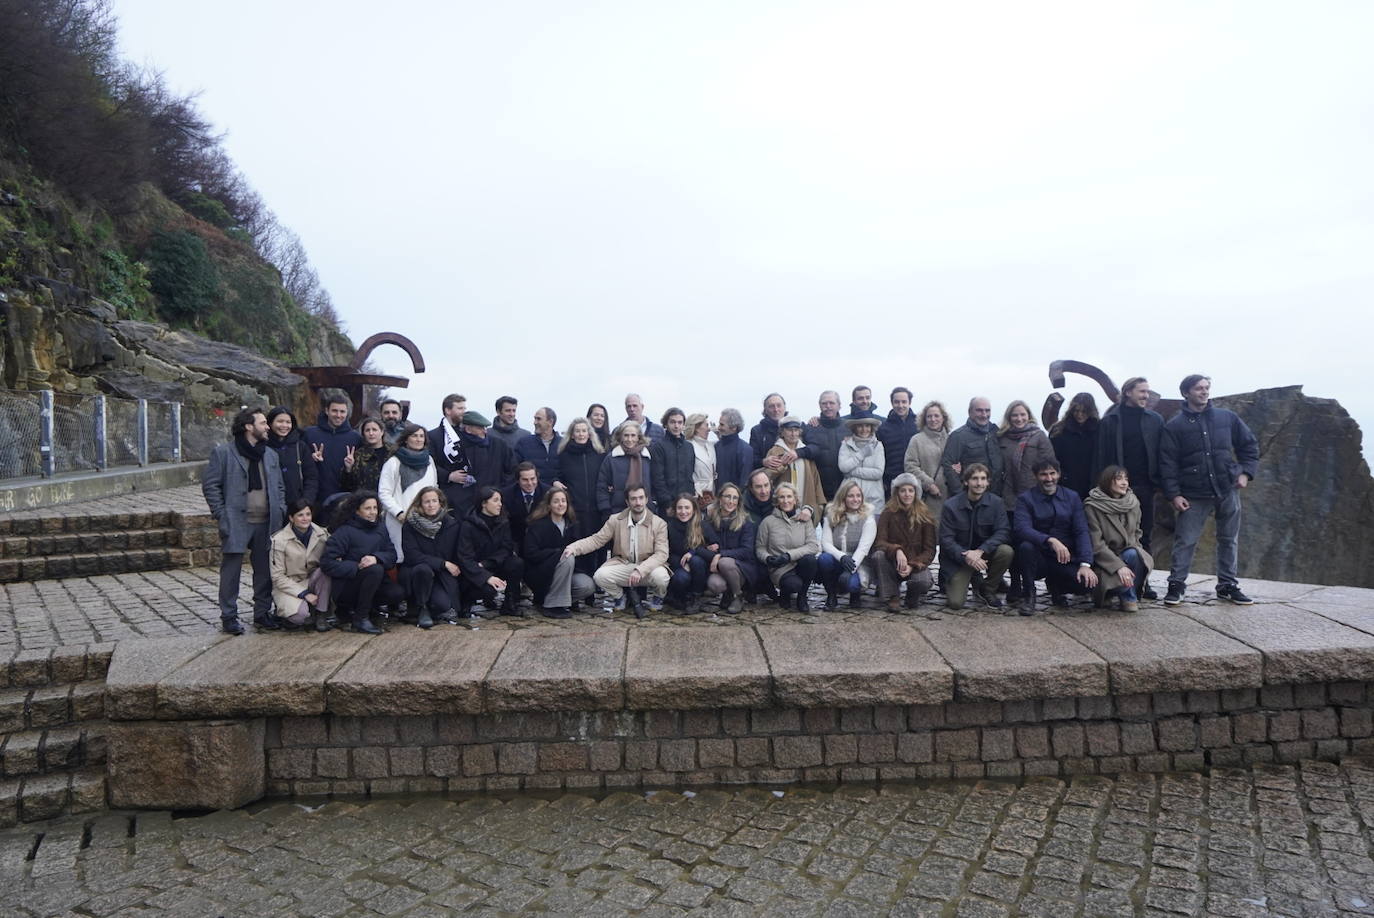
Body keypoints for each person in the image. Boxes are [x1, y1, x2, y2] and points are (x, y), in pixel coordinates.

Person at [1160, 374, 1260, 606]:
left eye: (1206, 388)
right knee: (1185, 540)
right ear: (1186, 393)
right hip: (1193, 494)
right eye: (1198, 388)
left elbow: (1249, 446)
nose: (1204, 392)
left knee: (1229, 540)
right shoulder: (1174, 426)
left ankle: (1227, 586)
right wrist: (1174, 494)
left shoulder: (1227, 417)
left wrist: (1245, 473)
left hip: (1227, 489)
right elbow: (1167, 463)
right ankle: (1176, 585)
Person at [203, 407, 287, 634]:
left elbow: (279, 486)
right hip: (236, 521)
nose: (268, 427)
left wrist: (280, 508)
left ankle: (262, 613)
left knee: (264, 572)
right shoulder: (223, 453)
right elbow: (211, 485)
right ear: (249, 426)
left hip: (267, 522)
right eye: (263, 423)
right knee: (231, 573)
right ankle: (229, 616)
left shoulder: (270, 454)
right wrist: (221, 514)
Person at [563, 483, 670, 618]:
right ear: (627, 502)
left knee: (661, 576)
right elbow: (597, 540)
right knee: (600, 576)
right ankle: (619, 597)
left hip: (647, 567)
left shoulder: (659, 523)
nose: (638, 502)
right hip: (624, 564)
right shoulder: (616, 520)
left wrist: (640, 570)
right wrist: (574, 548)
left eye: (641, 498)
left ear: (646, 499)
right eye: (633, 499)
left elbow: (661, 554)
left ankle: (658, 597)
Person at [1012, 459, 1098, 613]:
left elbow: (1081, 531)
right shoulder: (1025, 499)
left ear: (1059, 474)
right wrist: (1049, 540)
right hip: (1039, 556)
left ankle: (1056, 587)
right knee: (1025, 547)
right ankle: (1029, 595)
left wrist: (1085, 564)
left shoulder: (1072, 497)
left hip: (1065, 558)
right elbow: (1021, 528)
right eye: (1043, 474)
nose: (1049, 478)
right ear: (1036, 476)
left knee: (1086, 584)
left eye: (1052, 473)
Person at [1097, 376, 1165, 563]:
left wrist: (1162, 483)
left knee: (1145, 534)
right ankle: (1116, 575)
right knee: (1115, 535)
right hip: (1116, 489)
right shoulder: (1109, 421)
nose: (1146, 396)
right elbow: (1101, 457)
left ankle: (1143, 575)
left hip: (1146, 487)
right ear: (1128, 392)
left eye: (1147, 391)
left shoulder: (1155, 420)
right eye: (1142, 391)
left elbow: (1163, 453)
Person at [320, 491, 402, 634]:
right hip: (348, 584)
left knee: (396, 593)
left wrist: (376, 558)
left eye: (375, 508)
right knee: (375, 570)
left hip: (374, 580)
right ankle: (360, 618)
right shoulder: (344, 531)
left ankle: (370, 609)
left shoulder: (381, 528)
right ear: (357, 511)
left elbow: (392, 555)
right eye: (367, 508)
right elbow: (327, 563)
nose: (372, 512)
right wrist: (357, 566)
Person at [938, 463, 1013, 611]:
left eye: (983, 479)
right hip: (959, 558)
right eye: (975, 478)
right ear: (966, 481)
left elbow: (1003, 531)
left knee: (1006, 551)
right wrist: (966, 556)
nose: (979, 483)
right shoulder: (950, 506)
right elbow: (946, 539)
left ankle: (988, 588)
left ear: (988, 482)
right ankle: (972, 577)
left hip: (983, 554)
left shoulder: (996, 503)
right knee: (956, 603)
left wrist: (980, 551)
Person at [1084, 466, 1153, 612]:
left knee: (1135, 555)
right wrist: (1119, 566)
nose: (1124, 483)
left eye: (1126, 478)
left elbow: (1137, 532)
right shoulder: (1092, 506)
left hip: (1128, 552)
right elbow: (1096, 545)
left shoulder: (1133, 503)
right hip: (1104, 561)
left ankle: (1127, 596)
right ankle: (1112, 593)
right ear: (1107, 481)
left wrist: (1133, 553)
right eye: (1119, 479)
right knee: (1129, 557)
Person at [523, 486, 594, 618]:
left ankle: (555, 600)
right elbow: (530, 553)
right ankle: (553, 606)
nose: (560, 504)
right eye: (556, 501)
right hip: (541, 572)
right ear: (549, 505)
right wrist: (556, 554)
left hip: (567, 572)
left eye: (563, 501)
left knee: (587, 585)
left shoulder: (572, 524)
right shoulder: (538, 525)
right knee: (567, 556)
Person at [455, 486, 525, 616]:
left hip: (493, 563)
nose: (500, 504)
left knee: (516, 563)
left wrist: (488, 563)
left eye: (500, 500)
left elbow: (506, 547)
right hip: (474, 569)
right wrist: (485, 576)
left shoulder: (503, 521)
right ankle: (466, 601)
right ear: (484, 503)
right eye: (495, 500)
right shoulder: (468, 525)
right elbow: (464, 557)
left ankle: (510, 603)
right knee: (488, 591)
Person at [399, 486, 461, 628]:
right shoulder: (410, 525)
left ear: (440, 503)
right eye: (427, 502)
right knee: (423, 569)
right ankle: (422, 607)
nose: (431, 505)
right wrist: (443, 563)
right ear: (420, 504)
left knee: (443, 605)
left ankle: (422, 606)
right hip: (415, 572)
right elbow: (412, 555)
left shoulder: (451, 524)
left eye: (434, 501)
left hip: (439, 575)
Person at [873, 473, 937, 612]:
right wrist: (897, 550)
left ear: (916, 492)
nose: (907, 494)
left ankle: (912, 596)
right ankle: (893, 596)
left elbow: (930, 550)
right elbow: (880, 542)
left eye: (910, 490)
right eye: (903, 490)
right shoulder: (888, 513)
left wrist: (912, 565)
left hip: (915, 561)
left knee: (923, 582)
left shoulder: (925, 515)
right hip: (893, 561)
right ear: (897, 493)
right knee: (878, 555)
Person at [377, 422, 438, 563]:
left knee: (423, 559)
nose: (418, 439)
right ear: (405, 439)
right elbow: (384, 493)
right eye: (414, 436)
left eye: (421, 436)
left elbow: (434, 488)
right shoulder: (393, 462)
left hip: (424, 519)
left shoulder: (429, 460)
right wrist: (398, 513)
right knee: (401, 558)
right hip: (400, 519)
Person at [755, 483, 820, 613]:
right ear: (776, 501)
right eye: (782, 497)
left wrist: (789, 555)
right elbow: (760, 548)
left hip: (800, 563)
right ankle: (784, 594)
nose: (786, 501)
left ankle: (802, 596)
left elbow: (813, 546)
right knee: (793, 585)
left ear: (795, 500)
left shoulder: (805, 520)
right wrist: (767, 558)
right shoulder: (768, 522)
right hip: (780, 568)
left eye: (789, 497)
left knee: (810, 560)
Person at [269, 499, 331, 630]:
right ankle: (301, 610)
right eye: (300, 515)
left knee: (325, 570)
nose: (305, 518)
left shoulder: (322, 534)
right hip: (289, 584)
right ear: (291, 518)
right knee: (300, 617)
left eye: (308, 514)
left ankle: (321, 614)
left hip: (313, 580)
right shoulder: (278, 540)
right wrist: (304, 594)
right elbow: (278, 577)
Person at [557, 417, 607, 577]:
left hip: (596, 508)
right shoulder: (564, 455)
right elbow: (558, 475)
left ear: (589, 433)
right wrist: (555, 481)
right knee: (577, 543)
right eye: (577, 431)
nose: (581, 434)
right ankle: (582, 580)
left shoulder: (599, 454)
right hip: (575, 508)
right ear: (572, 434)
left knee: (598, 544)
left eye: (584, 431)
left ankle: (598, 580)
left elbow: (606, 477)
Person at [817, 479, 877, 610]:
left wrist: (850, 569)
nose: (855, 499)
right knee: (824, 559)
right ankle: (831, 595)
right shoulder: (832, 515)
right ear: (843, 497)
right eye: (851, 496)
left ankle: (855, 595)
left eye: (858, 496)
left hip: (858, 563)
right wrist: (842, 557)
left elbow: (863, 549)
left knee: (851, 584)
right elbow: (826, 543)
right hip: (838, 558)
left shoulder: (868, 519)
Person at [703, 482, 759, 612]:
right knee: (715, 585)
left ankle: (737, 596)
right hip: (719, 568)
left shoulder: (745, 522)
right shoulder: (710, 521)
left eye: (735, 498)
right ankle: (728, 593)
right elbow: (702, 544)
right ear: (720, 499)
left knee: (725, 562)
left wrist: (720, 555)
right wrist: (708, 549)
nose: (731, 501)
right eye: (728, 496)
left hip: (743, 568)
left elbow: (747, 551)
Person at [448, 411, 515, 515]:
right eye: (480, 428)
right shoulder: (455, 447)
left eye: (485, 427)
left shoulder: (499, 445)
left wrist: (500, 491)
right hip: (464, 505)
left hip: (493, 502)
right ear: (468, 429)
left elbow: (511, 470)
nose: (485, 431)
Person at [304, 395, 362, 507]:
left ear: (347, 413)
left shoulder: (356, 438)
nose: (338, 415)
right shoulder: (309, 434)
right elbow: (299, 462)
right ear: (327, 411)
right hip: (315, 497)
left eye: (342, 411)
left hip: (344, 498)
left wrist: (350, 467)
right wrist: (310, 459)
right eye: (334, 411)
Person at [998, 400, 1056, 510]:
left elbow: (1050, 465)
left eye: (1023, 414)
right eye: (1015, 415)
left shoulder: (1039, 436)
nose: (1019, 419)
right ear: (1009, 417)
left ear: (1028, 415)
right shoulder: (1002, 437)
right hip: (1008, 496)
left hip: (1034, 495)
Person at [941, 397, 1003, 498]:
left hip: (995, 496)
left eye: (987, 410)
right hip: (969, 497)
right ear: (970, 412)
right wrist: (960, 494)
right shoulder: (958, 436)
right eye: (979, 410)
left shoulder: (996, 433)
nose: (984, 414)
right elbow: (948, 466)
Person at [765, 416, 825, 517]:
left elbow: (816, 481)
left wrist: (819, 506)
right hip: (782, 508)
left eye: (796, 430)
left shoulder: (805, 452)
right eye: (789, 430)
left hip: (805, 509)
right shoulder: (774, 451)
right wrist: (782, 465)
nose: (793, 434)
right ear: (782, 432)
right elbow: (767, 477)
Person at [903, 400, 951, 522]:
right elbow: (910, 466)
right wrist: (929, 484)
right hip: (928, 498)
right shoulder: (916, 440)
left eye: (936, 416)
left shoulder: (952, 439)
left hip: (950, 497)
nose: (933, 419)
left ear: (943, 418)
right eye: (929, 416)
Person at [597, 421, 656, 516]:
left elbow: (655, 482)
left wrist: (654, 502)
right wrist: (605, 509)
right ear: (620, 437)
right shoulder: (611, 458)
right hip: (618, 510)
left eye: (633, 435)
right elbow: (602, 485)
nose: (629, 439)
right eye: (626, 435)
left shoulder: (647, 457)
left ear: (639, 437)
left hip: (645, 510)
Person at [1050, 392, 1100, 500]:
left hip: (1092, 486)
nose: (1079, 415)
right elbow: (1052, 458)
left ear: (1090, 412)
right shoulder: (1059, 431)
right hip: (1065, 485)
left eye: (1084, 411)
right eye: (1076, 411)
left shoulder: (1099, 431)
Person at [265, 407, 318, 509]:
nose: (284, 425)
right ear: (270, 423)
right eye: (280, 421)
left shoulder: (300, 446)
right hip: (271, 506)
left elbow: (311, 477)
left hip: (298, 506)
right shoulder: (264, 446)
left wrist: (306, 500)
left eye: (288, 422)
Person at [665, 495, 710, 613]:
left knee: (696, 561)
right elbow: (667, 553)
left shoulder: (702, 525)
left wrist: (692, 553)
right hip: (678, 566)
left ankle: (696, 597)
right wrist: (682, 564)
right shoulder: (669, 527)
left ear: (694, 509)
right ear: (675, 510)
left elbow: (713, 549)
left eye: (687, 508)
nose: (683, 511)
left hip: (700, 568)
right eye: (680, 508)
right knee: (681, 578)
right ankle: (678, 596)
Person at [428, 393, 472, 509]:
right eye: (460, 408)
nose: (464, 412)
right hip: (447, 492)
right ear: (448, 410)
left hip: (470, 491)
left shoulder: (468, 433)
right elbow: (430, 464)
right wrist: (448, 476)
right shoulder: (433, 436)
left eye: (464, 408)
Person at [804, 390, 847, 501]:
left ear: (839, 405)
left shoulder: (849, 428)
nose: (828, 406)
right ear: (820, 406)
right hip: (819, 488)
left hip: (845, 487)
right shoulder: (811, 428)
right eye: (824, 403)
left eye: (831, 403)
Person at [650, 408, 696, 511]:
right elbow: (658, 479)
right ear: (666, 424)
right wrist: (667, 503)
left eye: (680, 422)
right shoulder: (659, 447)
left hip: (687, 503)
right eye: (672, 422)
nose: (676, 426)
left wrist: (691, 497)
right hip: (668, 504)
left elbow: (690, 475)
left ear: (683, 425)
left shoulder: (689, 447)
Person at [877, 387, 919, 492]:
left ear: (910, 403)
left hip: (916, 481)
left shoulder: (919, 425)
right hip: (891, 481)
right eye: (897, 402)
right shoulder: (883, 428)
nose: (900, 405)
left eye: (904, 402)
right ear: (892, 403)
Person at [838, 417, 885, 508]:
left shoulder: (878, 445)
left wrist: (851, 472)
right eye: (860, 426)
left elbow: (878, 473)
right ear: (855, 428)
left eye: (867, 426)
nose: (864, 429)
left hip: (873, 498)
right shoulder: (846, 444)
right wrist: (862, 454)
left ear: (871, 428)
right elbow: (843, 467)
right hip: (850, 497)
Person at [501, 461, 547, 549]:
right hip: (516, 541)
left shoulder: (547, 492)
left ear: (537, 478)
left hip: (541, 541)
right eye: (525, 480)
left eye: (533, 479)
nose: (530, 483)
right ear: (518, 480)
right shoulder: (506, 495)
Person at [340, 417, 392, 494]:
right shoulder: (358, 455)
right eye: (367, 430)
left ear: (382, 432)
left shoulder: (393, 452)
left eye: (374, 430)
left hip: (389, 497)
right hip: (365, 498)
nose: (371, 433)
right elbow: (347, 486)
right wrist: (348, 469)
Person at [514, 407, 562, 488]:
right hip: (532, 492)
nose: (535, 422)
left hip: (557, 492)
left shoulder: (563, 444)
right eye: (535, 419)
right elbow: (515, 470)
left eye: (538, 419)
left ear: (550, 422)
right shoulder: (524, 443)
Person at [713, 409, 753, 495]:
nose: (718, 427)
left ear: (734, 427)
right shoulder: (716, 447)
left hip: (736, 499)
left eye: (722, 424)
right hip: (717, 498)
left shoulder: (745, 449)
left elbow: (744, 481)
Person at [749, 393, 788, 468]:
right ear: (765, 410)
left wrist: (797, 453)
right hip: (767, 471)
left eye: (779, 405)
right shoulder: (757, 431)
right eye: (771, 406)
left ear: (784, 407)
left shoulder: (798, 426)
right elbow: (752, 458)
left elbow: (811, 448)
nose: (776, 410)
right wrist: (763, 462)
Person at [686, 413, 716, 501]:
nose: (709, 429)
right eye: (706, 425)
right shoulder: (688, 446)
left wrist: (719, 433)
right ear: (697, 428)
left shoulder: (710, 445)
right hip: (697, 494)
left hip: (712, 493)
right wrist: (697, 492)